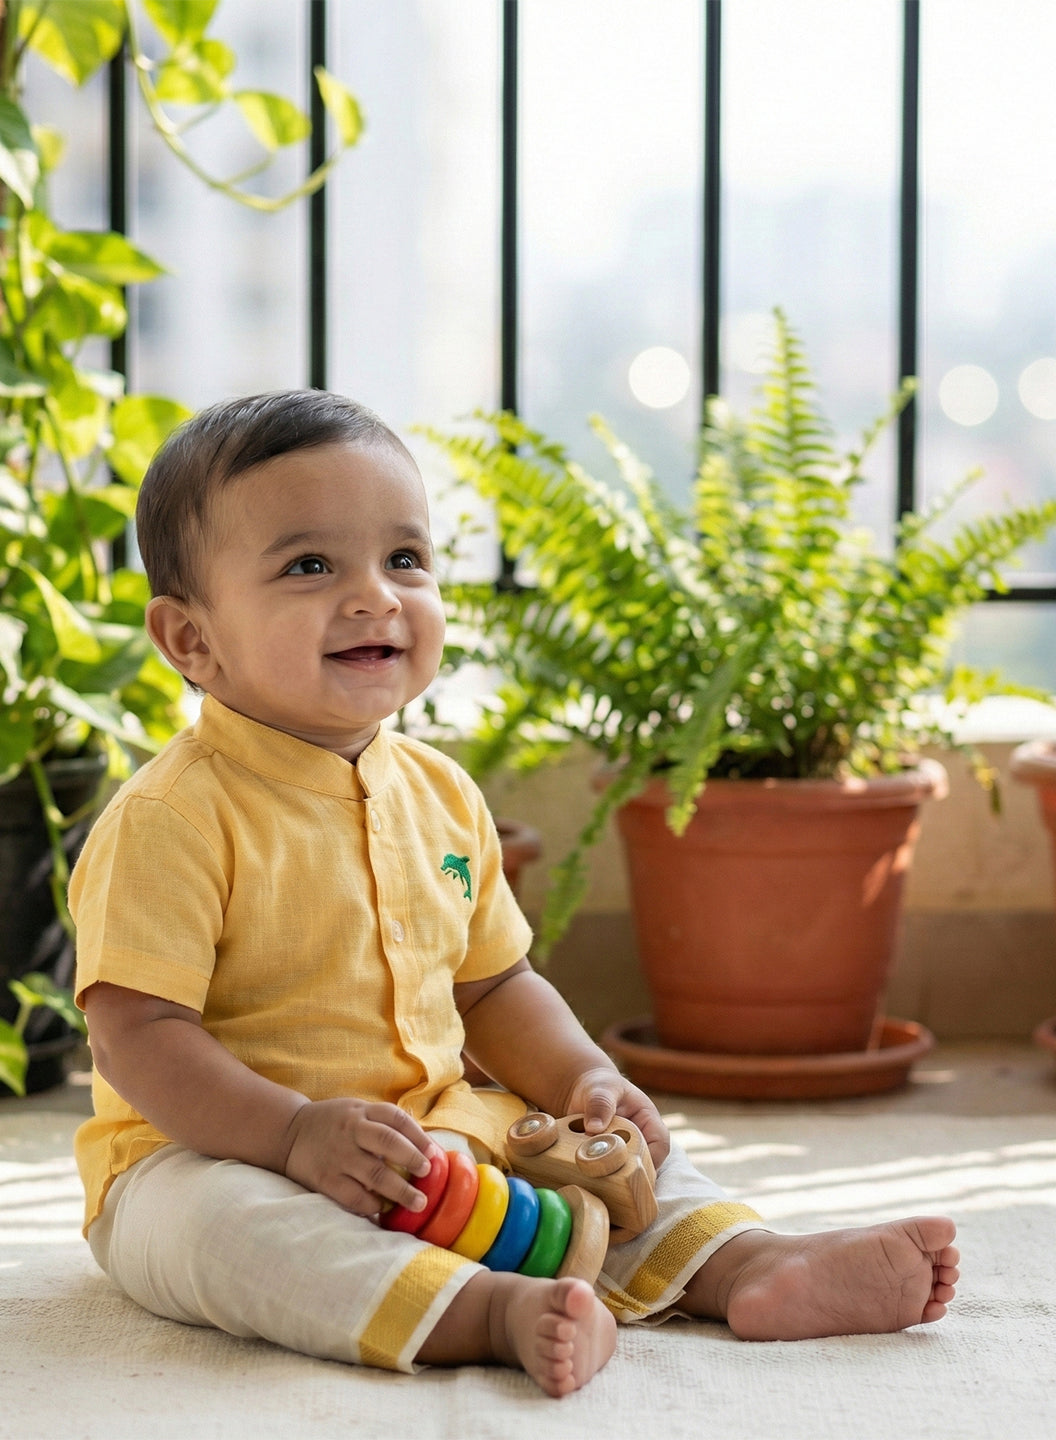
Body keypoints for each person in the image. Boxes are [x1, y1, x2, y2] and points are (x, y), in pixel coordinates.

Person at [71, 390, 959, 1399]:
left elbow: (494, 986)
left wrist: (584, 1081)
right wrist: (291, 1135)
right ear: (191, 640)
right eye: (310, 566)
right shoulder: (172, 818)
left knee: (618, 1162)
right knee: (226, 1231)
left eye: (405, 558)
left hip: (439, 1143)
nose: (376, 597)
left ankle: (750, 1265)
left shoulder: (442, 795)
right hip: (215, 1155)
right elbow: (137, 1034)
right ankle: (484, 1312)